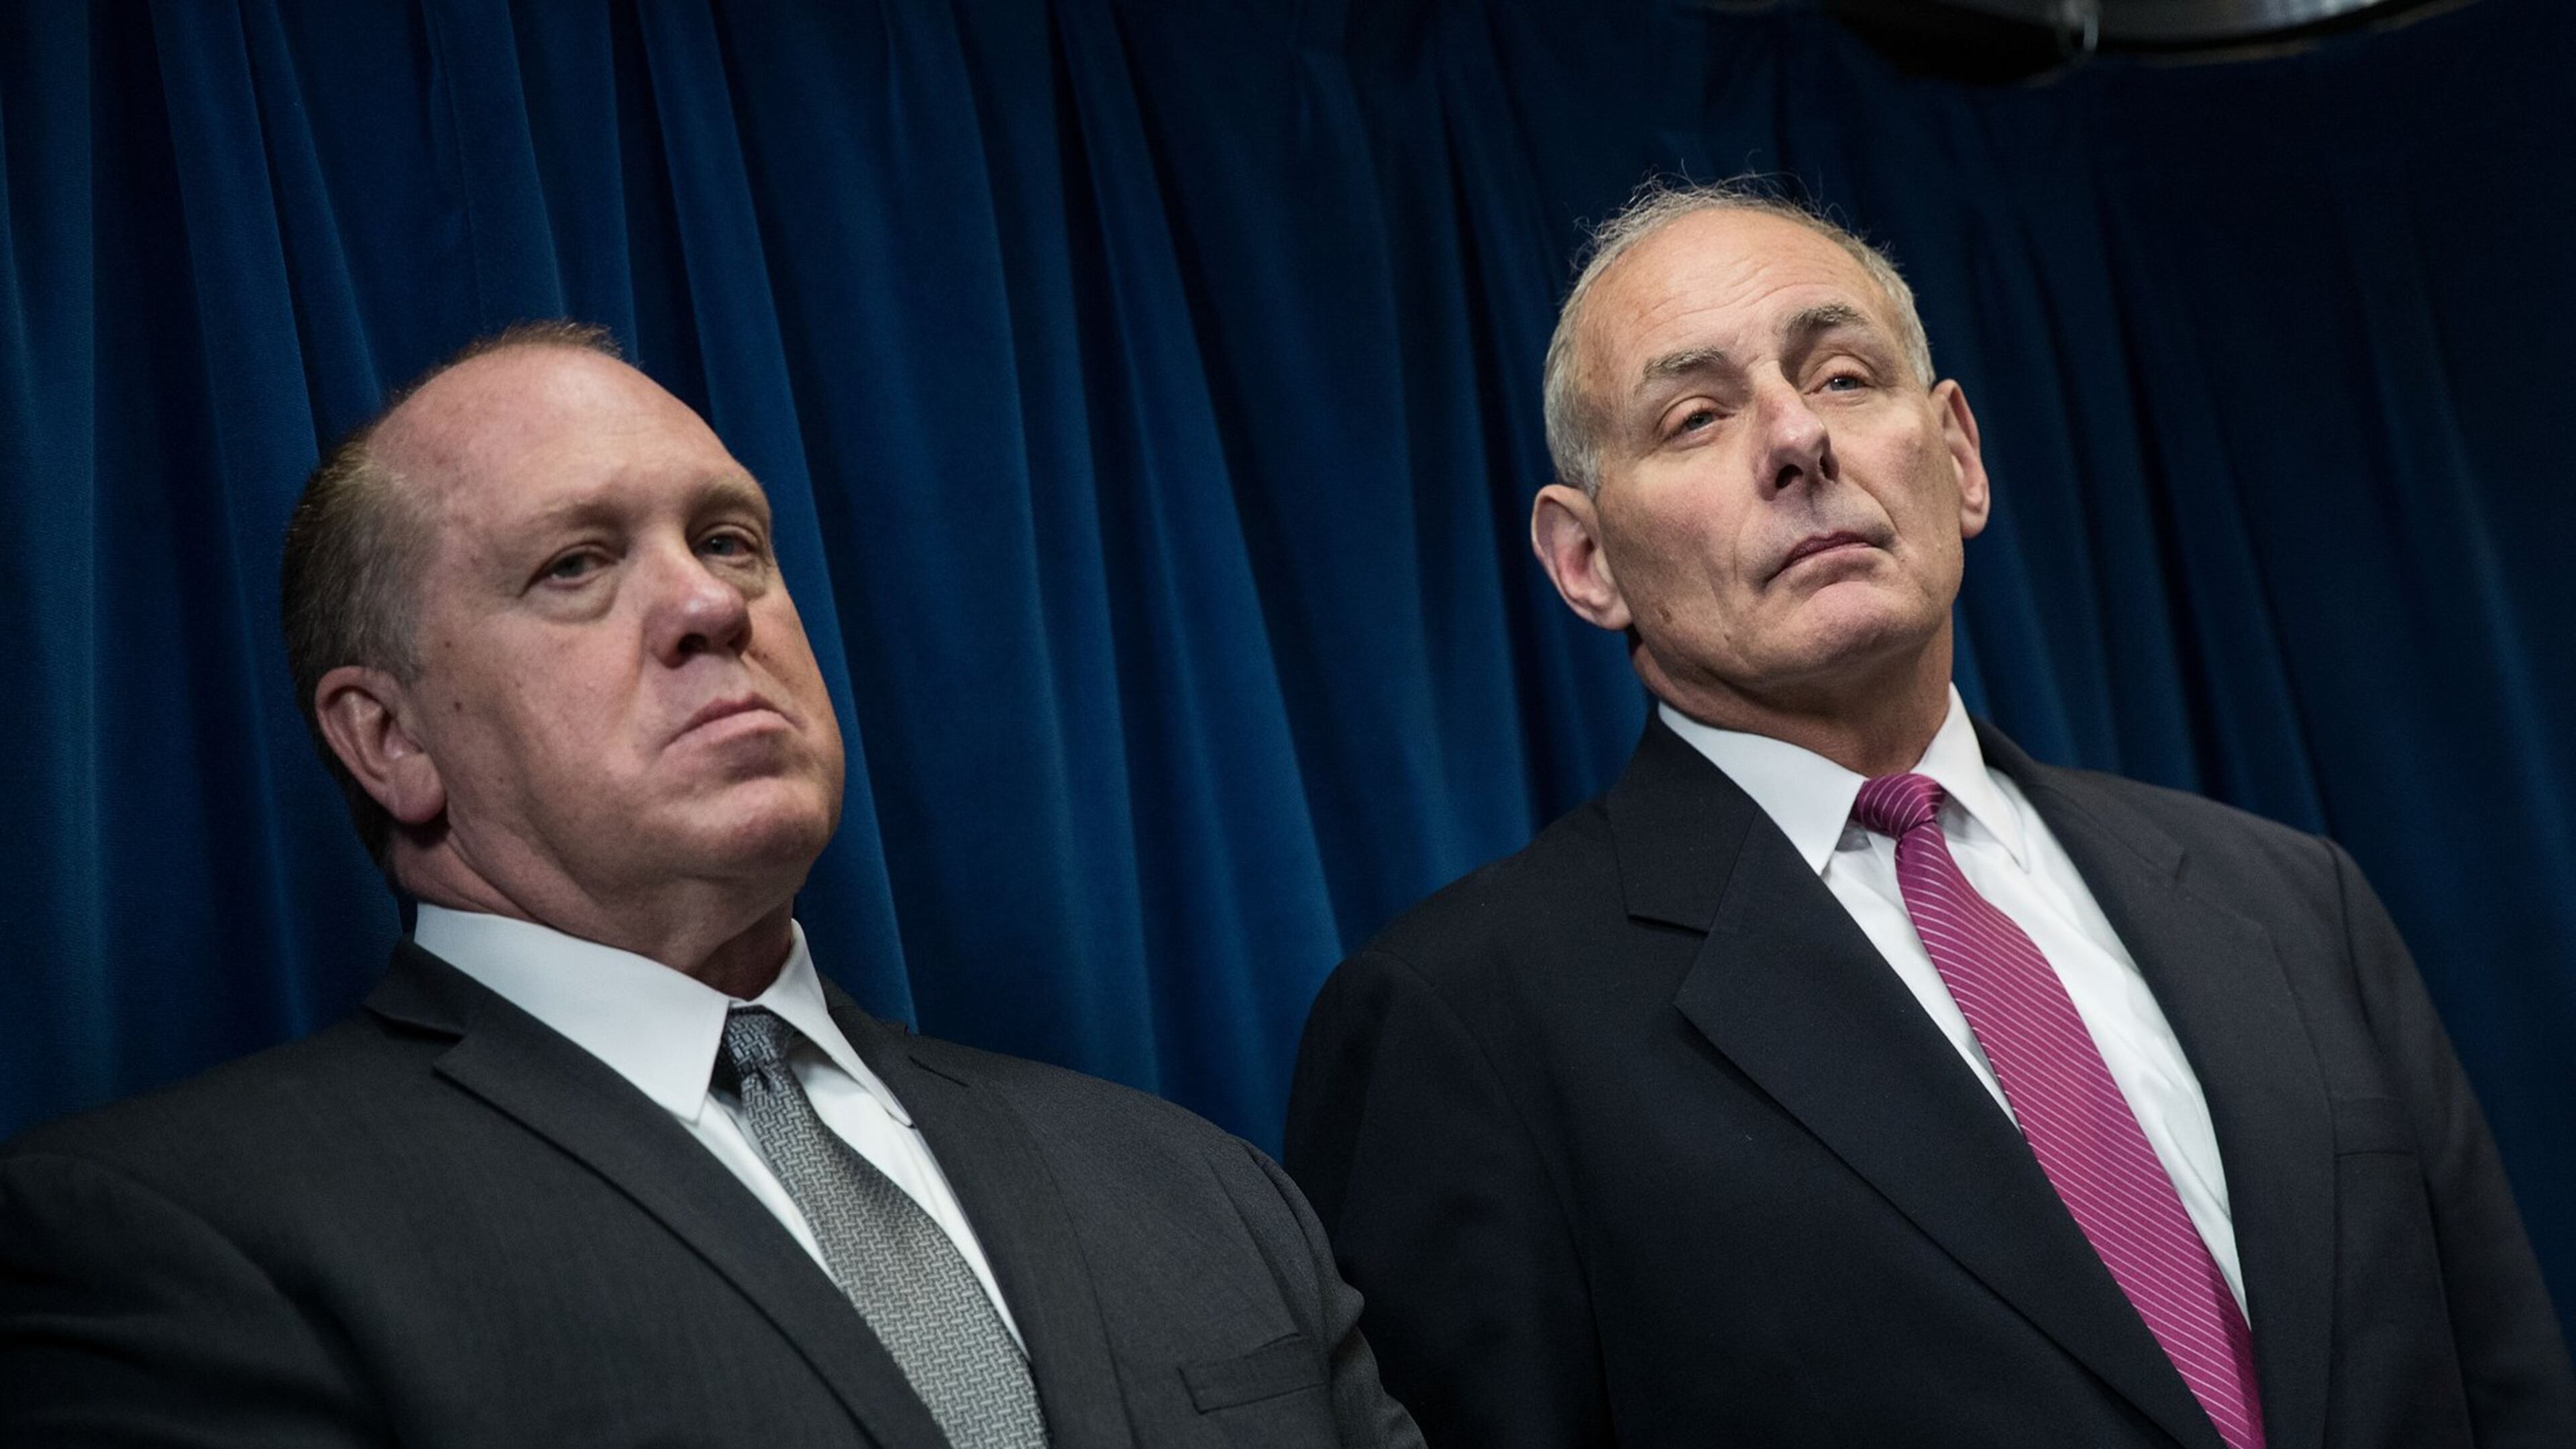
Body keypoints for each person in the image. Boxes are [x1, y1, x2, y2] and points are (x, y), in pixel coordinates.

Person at [1282, 183, 2576, 1449]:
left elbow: (2505, 1389)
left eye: (1842, 377)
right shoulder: (1460, 1025)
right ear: (1586, 562)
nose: (1799, 440)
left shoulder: (2297, 902)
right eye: (1694, 417)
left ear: (1957, 457)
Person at [0, 323, 1424, 1449]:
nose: (709, 606)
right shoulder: (169, 1238)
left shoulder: (1197, 1184)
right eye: (575, 565)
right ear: (392, 740)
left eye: (730, 540)